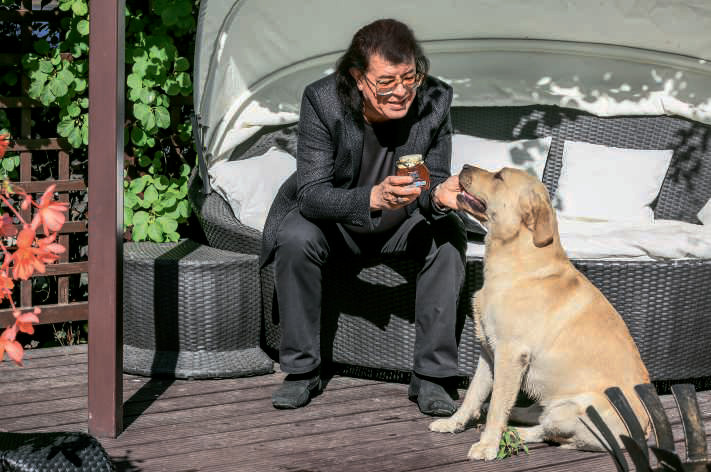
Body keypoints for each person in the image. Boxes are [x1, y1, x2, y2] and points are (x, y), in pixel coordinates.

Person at [260, 18, 466, 416]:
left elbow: (432, 182)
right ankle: (302, 371)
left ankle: (433, 377)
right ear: (358, 77)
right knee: (295, 236)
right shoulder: (323, 101)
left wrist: (440, 197)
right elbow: (311, 194)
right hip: (334, 222)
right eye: (386, 81)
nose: (402, 91)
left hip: (403, 222)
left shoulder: (434, 100)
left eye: (409, 77)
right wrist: (373, 196)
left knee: (448, 237)